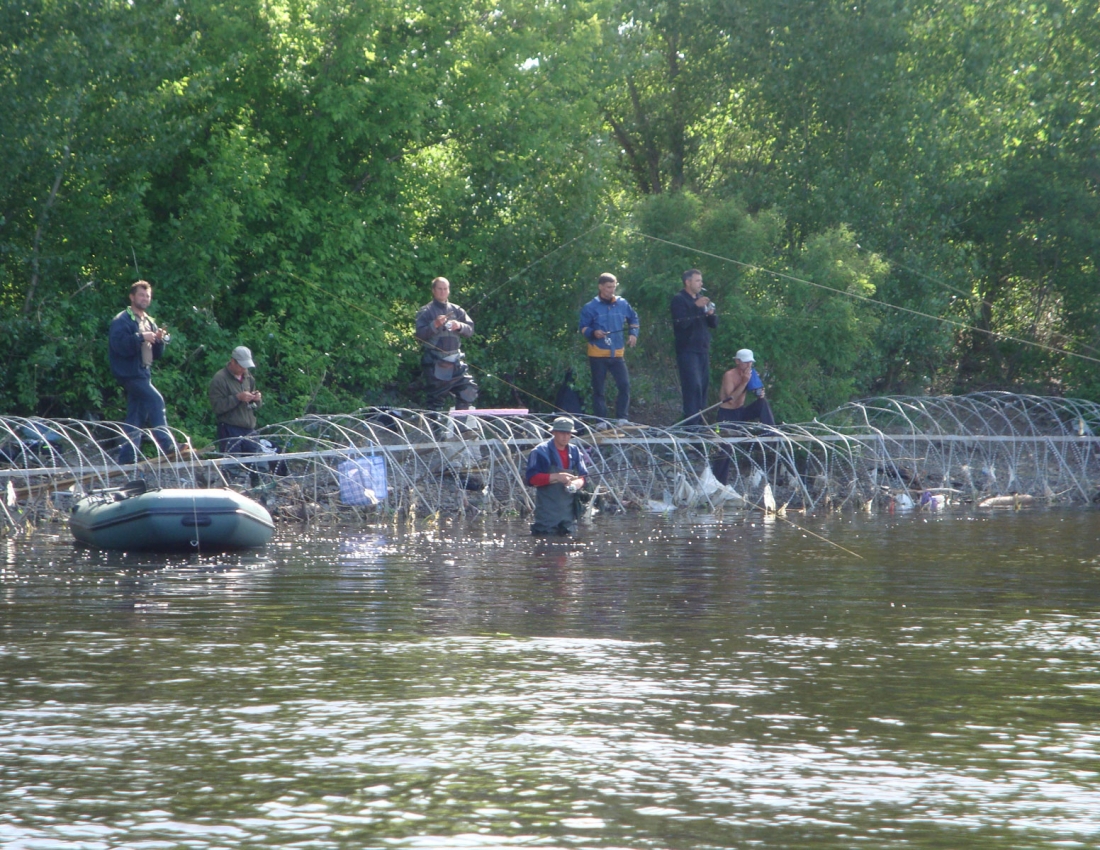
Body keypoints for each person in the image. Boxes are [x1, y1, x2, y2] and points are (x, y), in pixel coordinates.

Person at [108, 280, 175, 463]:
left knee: (136, 415)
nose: (145, 298)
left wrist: (159, 341)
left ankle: (127, 457)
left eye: (147, 296)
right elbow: (119, 346)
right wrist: (140, 337)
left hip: (143, 373)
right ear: (132, 297)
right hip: (129, 374)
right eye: (141, 295)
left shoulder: (149, 322)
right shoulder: (122, 320)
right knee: (156, 400)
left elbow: (156, 355)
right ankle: (167, 445)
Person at [578, 273, 639, 421]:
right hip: (597, 354)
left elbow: (634, 318)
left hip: (617, 353)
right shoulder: (590, 307)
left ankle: (622, 419)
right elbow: (583, 328)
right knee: (599, 390)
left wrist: (633, 334)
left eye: (613, 287)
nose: (611, 290)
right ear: (600, 287)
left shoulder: (622, 303)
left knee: (624, 386)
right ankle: (601, 421)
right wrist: (594, 333)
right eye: (608, 287)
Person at [711, 349, 777, 485]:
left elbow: (756, 393)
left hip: (740, 412)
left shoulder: (750, 374)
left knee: (762, 403)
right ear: (737, 362)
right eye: (745, 363)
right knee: (725, 449)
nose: (748, 366)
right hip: (726, 415)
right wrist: (744, 382)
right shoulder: (729, 375)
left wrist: (759, 392)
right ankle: (718, 482)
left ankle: (770, 431)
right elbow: (730, 400)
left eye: (750, 363)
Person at [414, 277, 479, 409]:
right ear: (433, 290)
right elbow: (419, 336)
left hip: (456, 362)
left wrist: (459, 326)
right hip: (435, 362)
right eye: (440, 289)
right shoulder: (425, 311)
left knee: (469, 391)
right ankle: (434, 428)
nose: (443, 292)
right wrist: (434, 325)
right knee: (436, 401)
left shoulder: (457, 310)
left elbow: (470, 330)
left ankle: (461, 428)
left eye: (445, 289)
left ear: (449, 291)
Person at [525, 416, 589, 535]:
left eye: (568, 433)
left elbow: (583, 477)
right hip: (546, 517)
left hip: (569, 516)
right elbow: (531, 479)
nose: (565, 437)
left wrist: (576, 484)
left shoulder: (575, 452)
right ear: (554, 432)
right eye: (562, 433)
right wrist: (556, 477)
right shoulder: (540, 452)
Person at [671, 269, 718, 426]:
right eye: (697, 280)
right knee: (693, 386)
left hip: (702, 349)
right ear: (688, 282)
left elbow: (714, 324)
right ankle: (691, 426)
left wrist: (710, 313)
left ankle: (700, 423)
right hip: (687, 350)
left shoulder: (700, 299)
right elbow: (682, 323)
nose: (701, 284)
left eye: (701, 281)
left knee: (703, 388)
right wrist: (695, 307)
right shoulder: (679, 299)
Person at [209, 346, 263, 454]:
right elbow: (217, 407)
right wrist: (237, 397)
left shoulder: (248, 377)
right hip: (229, 429)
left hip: (249, 428)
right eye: (242, 366)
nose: (244, 369)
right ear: (233, 361)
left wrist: (256, 398)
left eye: (246, 366)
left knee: (258, 464)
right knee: (233, 466)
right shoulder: (219, 379)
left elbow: (256, 406)